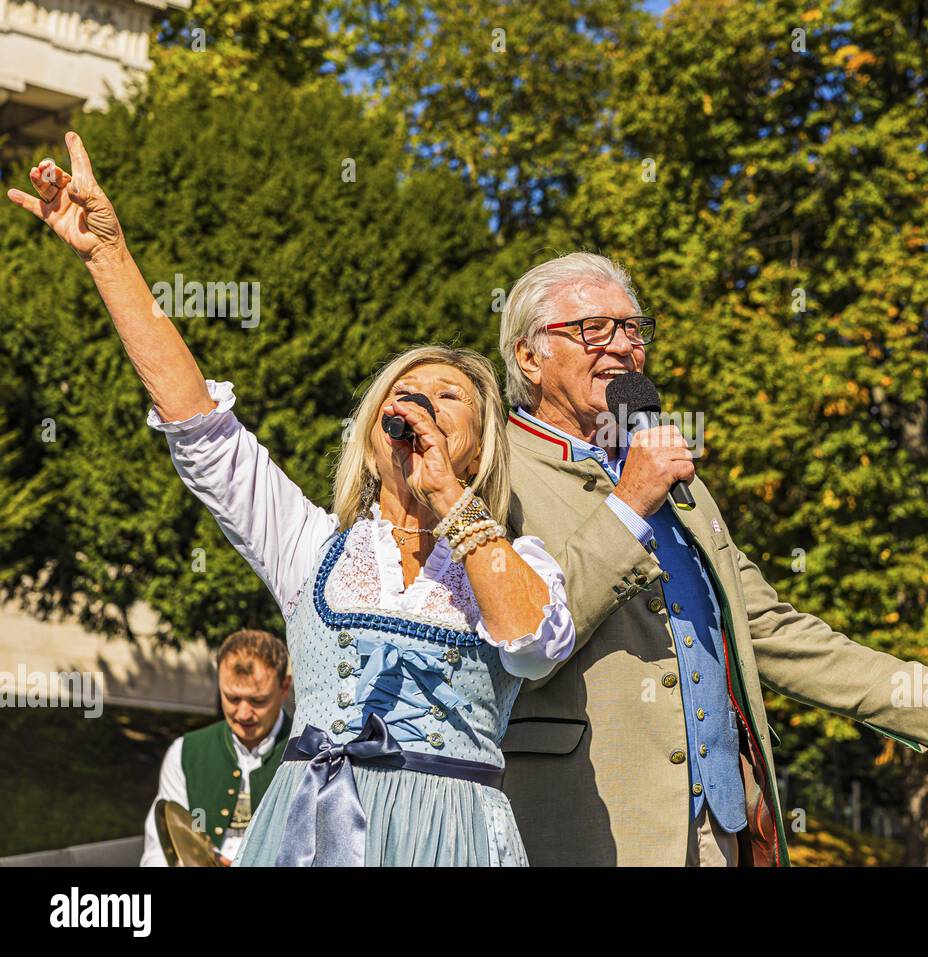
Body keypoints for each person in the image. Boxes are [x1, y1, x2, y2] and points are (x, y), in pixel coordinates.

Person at [8, 132, 576, 866]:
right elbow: (201, 427)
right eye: (403, 394)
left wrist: (449, 498)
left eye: (447, 397)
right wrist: (107, 258)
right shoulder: (314, 546)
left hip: (452, 839)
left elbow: (532, 649)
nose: (421, 405)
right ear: (374, 429)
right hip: (309, 831)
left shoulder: (515, 557)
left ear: (483, 442)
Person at [497, 252, 928, 866]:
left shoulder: (668, 475)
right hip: (585, 831)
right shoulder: (496, 474)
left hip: (720, 831)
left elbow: (768, 628)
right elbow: (525, 635)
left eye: (634, 328)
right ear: (529, 356)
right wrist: (628, 505)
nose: (622, 346)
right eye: (594, 328)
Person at [141, 629, 292, 866]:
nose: (243, 713)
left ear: (284, 687)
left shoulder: (310, 754)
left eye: (258, 700)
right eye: (232, 698)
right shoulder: (185, 752)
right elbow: (160, 850)